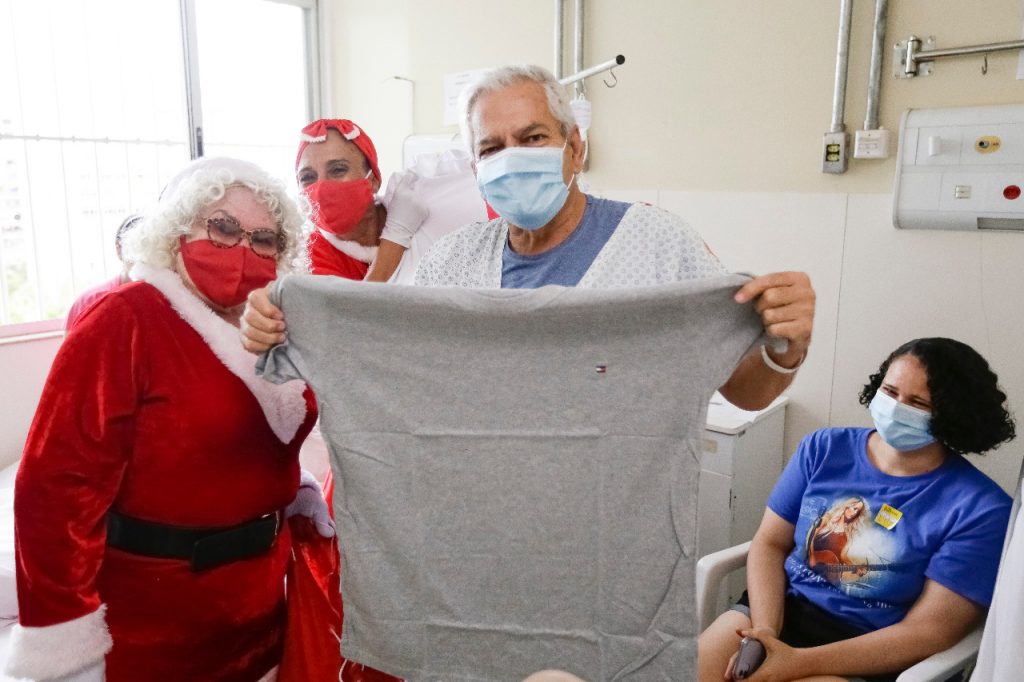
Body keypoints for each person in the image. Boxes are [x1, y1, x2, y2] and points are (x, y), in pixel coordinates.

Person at [243, 65, 815, 412]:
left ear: (575, 149)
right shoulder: (454, 264)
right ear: (474, 164)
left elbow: (747, 394)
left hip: (610, 536)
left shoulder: (655, 244)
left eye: (534, 137)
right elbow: (386, 373)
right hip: (485, 526)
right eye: (491, 148)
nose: (512, 158)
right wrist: (280, 324)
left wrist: (787, 348)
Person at [7, 157, 331, 682]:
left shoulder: (274, 323)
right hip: (153, 628)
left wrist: (290, 486)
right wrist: (65, 638)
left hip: (260, 612)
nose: (242, 250)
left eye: (264, 239)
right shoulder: (123, 318)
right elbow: (55, 488)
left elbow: (247, 433)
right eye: (223, 227)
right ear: (177, 228)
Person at [698, 337, 1016, 682]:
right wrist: (764, 634)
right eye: (890, 391)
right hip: (777, 611)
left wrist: (796, 662)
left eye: (917, 403)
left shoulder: (981, 510)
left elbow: (928, 632)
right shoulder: (823, 448)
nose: (896, 408)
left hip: (867, 651)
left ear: (951, 417)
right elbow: (770, 543)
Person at [298, 118, 485, 284]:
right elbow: (354, 317)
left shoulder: (416, 198)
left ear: (373, 181)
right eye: (307, 177)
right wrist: (395, 236)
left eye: (338, 170)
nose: (321, 186)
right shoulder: (310, 258)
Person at [63, 213, 141, 331]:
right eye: (135, 248)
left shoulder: (169, 300)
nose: (143, 257)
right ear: (119, 250)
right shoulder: (89, 301)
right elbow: (71, 348)